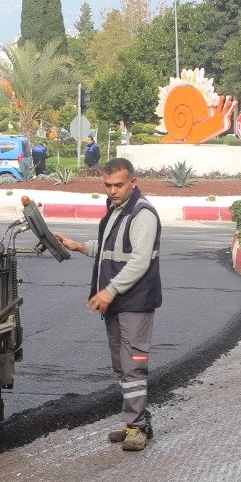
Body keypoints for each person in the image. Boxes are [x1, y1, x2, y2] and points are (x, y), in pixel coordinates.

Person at [52, 158, 162, 451]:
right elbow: (110, 249)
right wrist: (79, 246)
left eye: (118, 185)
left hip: (135, 303)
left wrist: (109, 291)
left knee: (134, 365)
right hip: (116, 303)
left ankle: (137, 427)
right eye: (108, 185)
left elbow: (138, 261)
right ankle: (134, 422)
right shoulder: (116, 210)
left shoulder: (143, 214)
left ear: (133, 182)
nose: (112, 191)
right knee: (121, 365)